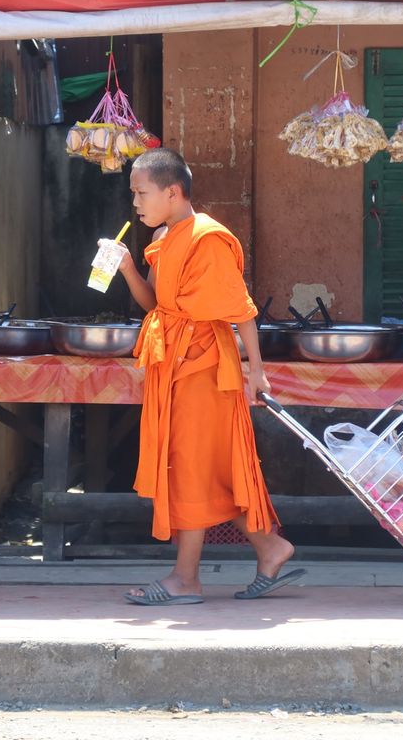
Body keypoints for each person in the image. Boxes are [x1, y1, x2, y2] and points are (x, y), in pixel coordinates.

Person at [111, 148, 302, 605]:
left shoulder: (207, 238)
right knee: (201, 470)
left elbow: (242, 311)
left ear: (173, 192)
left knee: (191, 468)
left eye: (141, 192)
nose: (135, 202)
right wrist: (128, 268)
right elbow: (157, 305)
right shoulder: (164, 238)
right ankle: (269, 547)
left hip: (204, 369)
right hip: (173, 366)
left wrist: (257, 372)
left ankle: (185, 578)